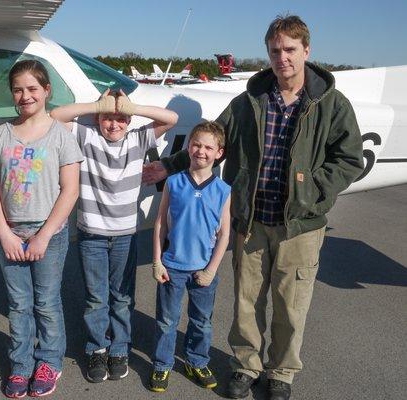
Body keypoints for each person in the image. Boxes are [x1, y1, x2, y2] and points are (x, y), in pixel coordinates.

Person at [143, 15, 364, 400]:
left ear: (306, 51)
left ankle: (281, 373)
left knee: (290, 306)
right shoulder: (249, 101)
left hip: (300, 224)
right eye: (275, 50)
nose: (283, 58)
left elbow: (349, 159)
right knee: (247, 300)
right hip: (251, 220)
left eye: (290, 49)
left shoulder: (331, 104)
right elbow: (212, 138)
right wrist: (170, 165)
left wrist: (312, 191)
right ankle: (246, 365)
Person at [50, 90, 178, 383]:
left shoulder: (138, 138)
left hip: (124, 235)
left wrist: (130, 107)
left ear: (130, 121)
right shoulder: (86, 135)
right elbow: (55, 116)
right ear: (98, 118)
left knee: (122, 297)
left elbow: (171, 119)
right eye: (108, 118)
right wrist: (98, 105)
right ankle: (97, 348)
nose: (114, 124)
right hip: (91, 233)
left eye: (121, 119)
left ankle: (120, 347)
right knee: (96, 298)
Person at [0, 60, 84, 398]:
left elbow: (70, 189)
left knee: (46, 303)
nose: (25, 96)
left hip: (48, 235)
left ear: (46, 91)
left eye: (32, 89)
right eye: (18, 89)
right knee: (18, 304)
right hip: (12, 234)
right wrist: (4, 233)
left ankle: (49, 362)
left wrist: (43, 235)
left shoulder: (61, 135)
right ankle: (21, 364)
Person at [149, 122, 231, 393]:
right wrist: (157, 260)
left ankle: (196, 360)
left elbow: (224, 235)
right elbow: (160, 222)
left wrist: (211, 269)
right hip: (172, 266)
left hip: (203, 270)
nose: (201, 151)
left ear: (219, 152)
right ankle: (162, 364)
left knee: (201, 321)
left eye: (209, 147)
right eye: (197, 145)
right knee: (166, 321)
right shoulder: (173, 182)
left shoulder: (223, 190)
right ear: (188, 147)